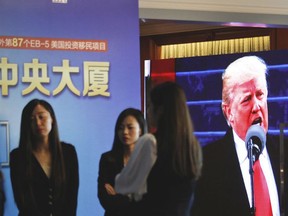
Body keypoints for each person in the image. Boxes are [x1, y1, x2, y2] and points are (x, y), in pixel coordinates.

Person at [191, 56, 281, 216]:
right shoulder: (206, 164)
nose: (256, 106)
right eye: (246, 99)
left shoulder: (283, 151)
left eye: (260, 95)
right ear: (228, 112)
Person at [142, 81, 203, 216]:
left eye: (150, 106)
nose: (148, 111)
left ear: (161, 110)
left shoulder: (150, 143)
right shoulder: (193, 147)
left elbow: (136, 193)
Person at [10, 99, 79, 216]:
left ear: (52, 118)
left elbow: (72, 196)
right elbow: (21, 199)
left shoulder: (68, 152)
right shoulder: (17, 156)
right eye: (31, 119)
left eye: (41, 117)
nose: (37, 123)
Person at [97, 108, 149, 216]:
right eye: (121, 128)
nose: (125, 132)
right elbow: (104, 198)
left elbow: (148, 200)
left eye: (130, 127)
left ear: (140, 130)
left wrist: (118, 195)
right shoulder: (107, 159)